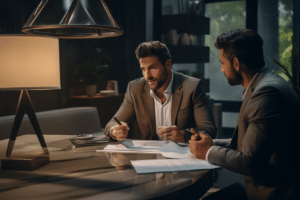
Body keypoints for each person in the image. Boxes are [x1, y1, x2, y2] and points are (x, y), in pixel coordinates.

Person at [189, 29, 300, 200]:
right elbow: (247, 143)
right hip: (263, 187)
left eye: (222, 63)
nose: (221, 69)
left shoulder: (267, 94)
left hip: (275, 193)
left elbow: (250, 163)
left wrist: (208, 151)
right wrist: (210, 143)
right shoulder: (265, 83)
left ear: (236, 63)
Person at [105, 41, 216, 142]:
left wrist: (184, 135)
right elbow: (112, 124)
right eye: (143, 69)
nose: (147, 76)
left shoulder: (192, 87)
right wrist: (115, 131)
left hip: (183, 157)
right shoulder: (135, 89)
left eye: (153, 68)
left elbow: (209, 129)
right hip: (149, 159)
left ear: (167, 65)